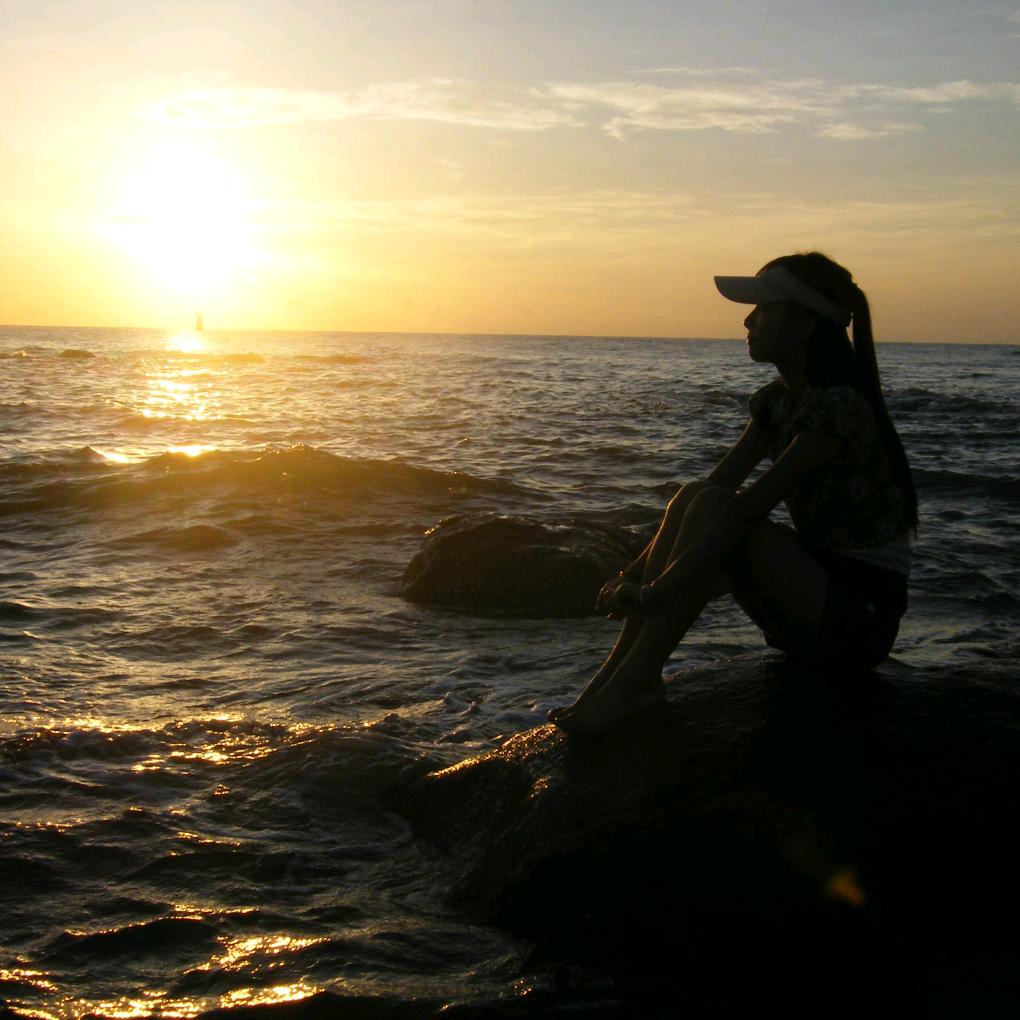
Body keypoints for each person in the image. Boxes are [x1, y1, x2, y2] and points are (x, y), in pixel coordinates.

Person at [551, 252, 917, 736]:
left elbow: (745, 510)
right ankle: (612, 683)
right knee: (696, 495)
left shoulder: (838, 407)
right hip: (809, 597)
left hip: (856, 620)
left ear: (804, 325)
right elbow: (714, 488)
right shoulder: (778, 403)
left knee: (715, 510)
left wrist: (654, 592)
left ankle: (636, 682)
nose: (747, 320)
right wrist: (633, 573)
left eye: (763, 310)